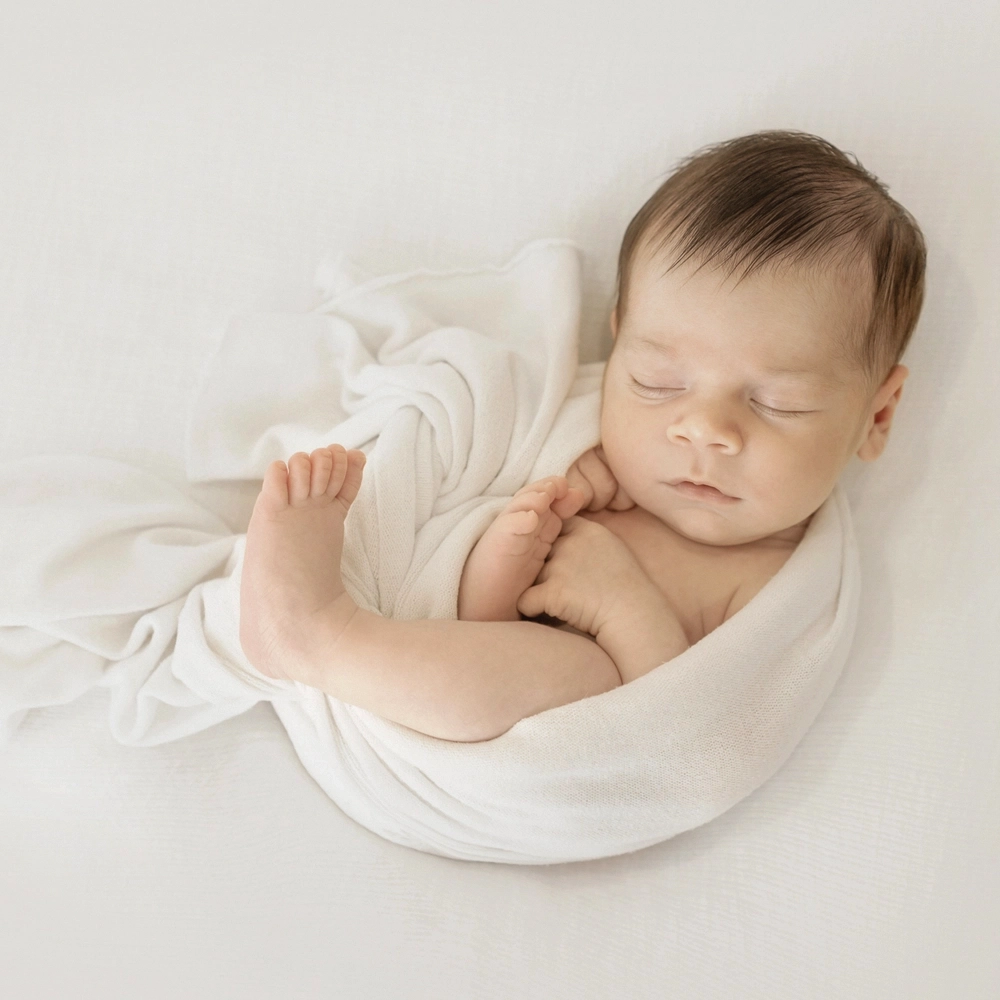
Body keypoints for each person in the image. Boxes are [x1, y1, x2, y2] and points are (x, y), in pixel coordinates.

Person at [238, 130, 926, 743]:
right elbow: (484, 628)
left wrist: (622, 602)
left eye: (778, 402)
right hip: (444, 682)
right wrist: (508, 552)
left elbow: (684, 727)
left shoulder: (775, 580)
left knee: (584, 674)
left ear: (877, 417)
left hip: (548, 744)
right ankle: (326, 637)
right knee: (547, 666)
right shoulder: (586, 472)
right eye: (658, 382)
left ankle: (319, 634)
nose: (705, 430)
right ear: (618, 339)